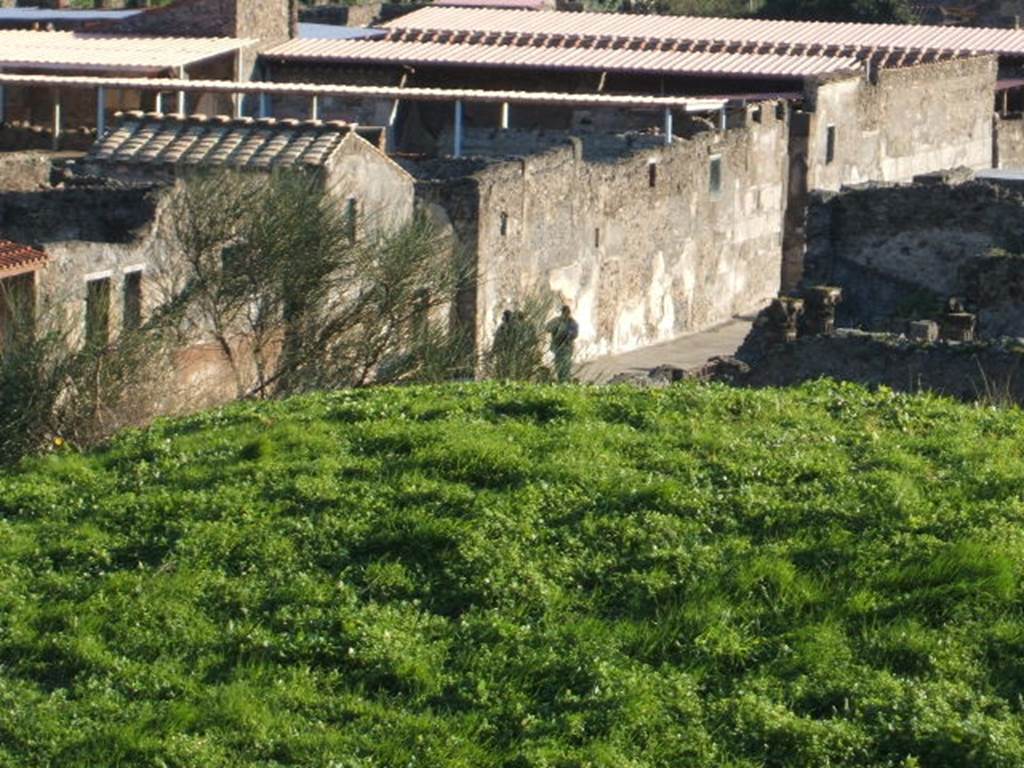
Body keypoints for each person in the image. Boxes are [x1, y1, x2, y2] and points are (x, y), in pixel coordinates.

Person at [546, 305, 578, 383]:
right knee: (558, 365)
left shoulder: (572, 322)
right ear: (562, 312)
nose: (566, 314)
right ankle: (561, 379)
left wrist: (568, 334)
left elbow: (575, 334)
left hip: (567, 347)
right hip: (557, 347)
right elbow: (548, 328)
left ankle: (565, 381)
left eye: (568, 313)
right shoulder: (556, 321)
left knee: (566, 365)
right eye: (565, 312)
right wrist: (557, 329)